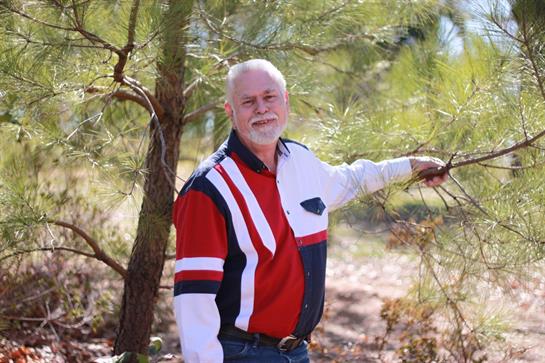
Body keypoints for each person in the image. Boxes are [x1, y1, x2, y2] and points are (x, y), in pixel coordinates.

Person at [172, 59, 447, 363]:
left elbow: (352, 179)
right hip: (242, 353)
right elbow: (194, 302)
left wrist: (410, 167)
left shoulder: (300, 161)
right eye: (248, 101)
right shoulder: (208, 188)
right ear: (231, 111)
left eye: (269, 97)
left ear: (285, 101)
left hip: (297, 351)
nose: (262, 108)